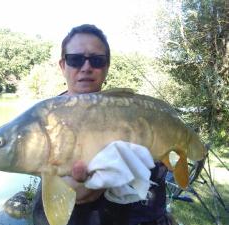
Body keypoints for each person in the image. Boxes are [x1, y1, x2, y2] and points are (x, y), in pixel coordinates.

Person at [32, 24, 176, 225]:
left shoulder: (133, 111)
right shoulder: (46, 117)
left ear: (107, 66)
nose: (86, 67)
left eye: (97, 60)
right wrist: (72, 190)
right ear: (63, 65)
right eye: (75, 59)